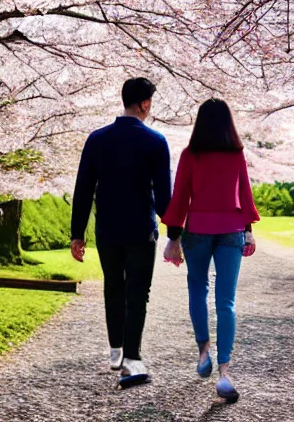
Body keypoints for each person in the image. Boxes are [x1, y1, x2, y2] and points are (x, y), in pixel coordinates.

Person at [70, 77, 172, 386]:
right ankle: (132, 356)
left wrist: (77, 233)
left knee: (113, 286)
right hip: (141, 228)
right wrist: (177, 231)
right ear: (144, 103)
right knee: (137, 293)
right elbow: (164, 198)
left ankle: (115, 349)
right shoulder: (156, 141)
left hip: (108, 228)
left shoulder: (97, 139)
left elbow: (84, 189)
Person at [162, 98, 259, 402]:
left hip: (198, 230)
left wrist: (173, 237)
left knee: (197, 289)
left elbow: (179, 199)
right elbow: (245, 192)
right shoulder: (237, 154)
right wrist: (248, 231)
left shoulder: (191, 155)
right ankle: (225, 373)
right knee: (226, 300)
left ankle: (204, 350)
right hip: (232, 228)